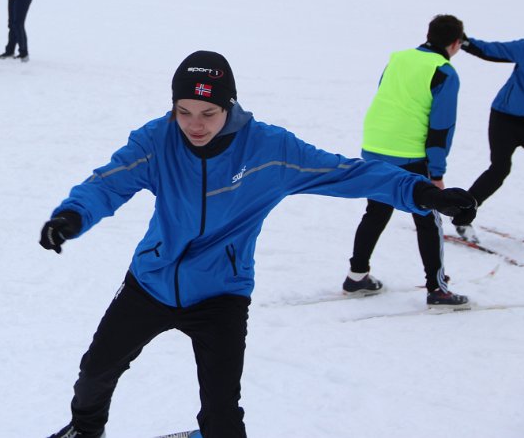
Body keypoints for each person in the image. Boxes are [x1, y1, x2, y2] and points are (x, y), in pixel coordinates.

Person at [40, 50, 476, 438]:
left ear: (229, 106)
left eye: (208, 113)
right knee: (95, 372)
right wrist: (72, 217)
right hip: (151, 281)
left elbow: (347, 173)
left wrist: (423, 193)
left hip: (221, 294)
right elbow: (108, 183)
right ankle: (85, 430)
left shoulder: (269, 150)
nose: (194, 125)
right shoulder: (157, 140)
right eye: (183, 111)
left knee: (223, 413)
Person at [343, 14, 469, 306]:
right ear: (455, 43)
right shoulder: (444, 71)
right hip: (409, 152)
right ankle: (437, 289)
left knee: (377, 210)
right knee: (428, 218)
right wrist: (437, 174)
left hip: (375, 145)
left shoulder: (399, 58)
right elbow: (441, 127)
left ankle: (356, 276)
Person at [454, 35, 524, 243]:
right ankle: (462, 215)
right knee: (499, 169)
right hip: (505, 119)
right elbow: (491, 50)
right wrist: (464, 41)